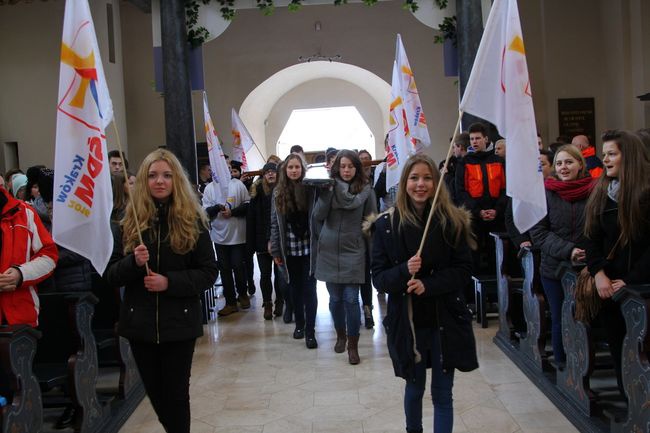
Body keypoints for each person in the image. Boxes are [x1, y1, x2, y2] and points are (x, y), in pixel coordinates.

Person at [106, 149, 218, 433]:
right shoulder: (127, 221)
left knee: (177, 395)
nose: (160, 181)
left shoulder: (193, 220)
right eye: (153, 175)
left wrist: (169, 282)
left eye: (167, 175)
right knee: (157, 396)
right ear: (143, 180)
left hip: (179, 322)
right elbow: (110, 274)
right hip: (140, 324)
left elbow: (208, 272)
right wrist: (133, 263)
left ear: (176, 180)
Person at [371, 154, 477, 433]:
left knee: (443, 393)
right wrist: (405, 271)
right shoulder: (386, 225)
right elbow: (379, 279)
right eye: (414, 178)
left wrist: (429, 285)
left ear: (436, 182)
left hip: (445, 319)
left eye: (427, 178)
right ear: (404, 182)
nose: (421, 184)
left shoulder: (451, 221)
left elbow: (463, 270)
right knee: (415, 389)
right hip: (409, 323)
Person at [584, 130, 650, 397]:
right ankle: (629, 405)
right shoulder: (602, 190)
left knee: (641, 350)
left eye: (612, 154)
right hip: (609, 287)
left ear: (629, 157)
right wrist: (598, 273)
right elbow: (590, 236)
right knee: (619, 348)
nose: (605, 159)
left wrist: (632, 280)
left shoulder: (645, 193)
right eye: (604, 154)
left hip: (640, 287)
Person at [530, 145, 593, 367]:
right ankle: (563, 365)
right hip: (554, 268)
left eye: (568, 162)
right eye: (559, 163)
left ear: (580, 165)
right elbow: (539, 233)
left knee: (587, 319)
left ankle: (586, 365)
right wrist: (569, 250)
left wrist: (587, 251)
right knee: (560, 317)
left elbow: (600, 226)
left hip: (588, 267)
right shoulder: (546, 193)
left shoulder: (595, 191)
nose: (563, 167)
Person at [313, 149, 377, 364]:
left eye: (351, 166)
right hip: (329, 250)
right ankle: (340, 334)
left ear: (356, 168)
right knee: (335, 300)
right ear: (337, 168)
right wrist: (325, 194)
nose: (347, 170)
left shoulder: (366, 189)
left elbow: (371, 222)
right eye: (343, 166)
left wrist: (372, 251)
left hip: (354, 250)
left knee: (351, 299)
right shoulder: (327, 187)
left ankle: (353, 344)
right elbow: (318, 216)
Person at [270, 154, 318, 348]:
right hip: (288, 248)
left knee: (310, 289)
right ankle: (299, 324)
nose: (294, 170)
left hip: (309, 247)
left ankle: (310, 331)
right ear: (285, 170)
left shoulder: (311, 189)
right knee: (295, 289)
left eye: (297, 167)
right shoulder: (278, 193)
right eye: (290, 167)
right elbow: (275, 223)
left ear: (302, 168)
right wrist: (275, 250)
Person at [455, 122, 506, 275]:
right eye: (471, 139)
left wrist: (497, 210)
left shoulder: (498, 161)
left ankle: (497, 291)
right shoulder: (465, 162)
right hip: (474, 217)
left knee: (496, 255)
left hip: (496, 216)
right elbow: (461, 191)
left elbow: (505, 189)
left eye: (478, 138)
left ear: (486, 139)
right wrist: (477, 211)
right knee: (473, 254)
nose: (474, 142)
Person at [203, 162, 251, 316]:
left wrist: (233, 212)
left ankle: (243, 295)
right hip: (219, 235)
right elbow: (205, 212)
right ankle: (230, 302)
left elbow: (247, 205)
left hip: (237, 234)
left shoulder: (237, 185)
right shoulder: (209, 188)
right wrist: (217, 207)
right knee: (224, 269)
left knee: (238, 266)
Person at [248, 162, 284, 320]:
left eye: (273, 171)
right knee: (265, 274)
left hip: (278, 240)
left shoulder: (282, 191)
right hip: (261, 241)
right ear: (263, 175)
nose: (270, 174)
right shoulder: (257, 193)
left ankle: (280, 301)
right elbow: (252, 219)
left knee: (279, 274)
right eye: (267, 172)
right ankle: (268, 304)